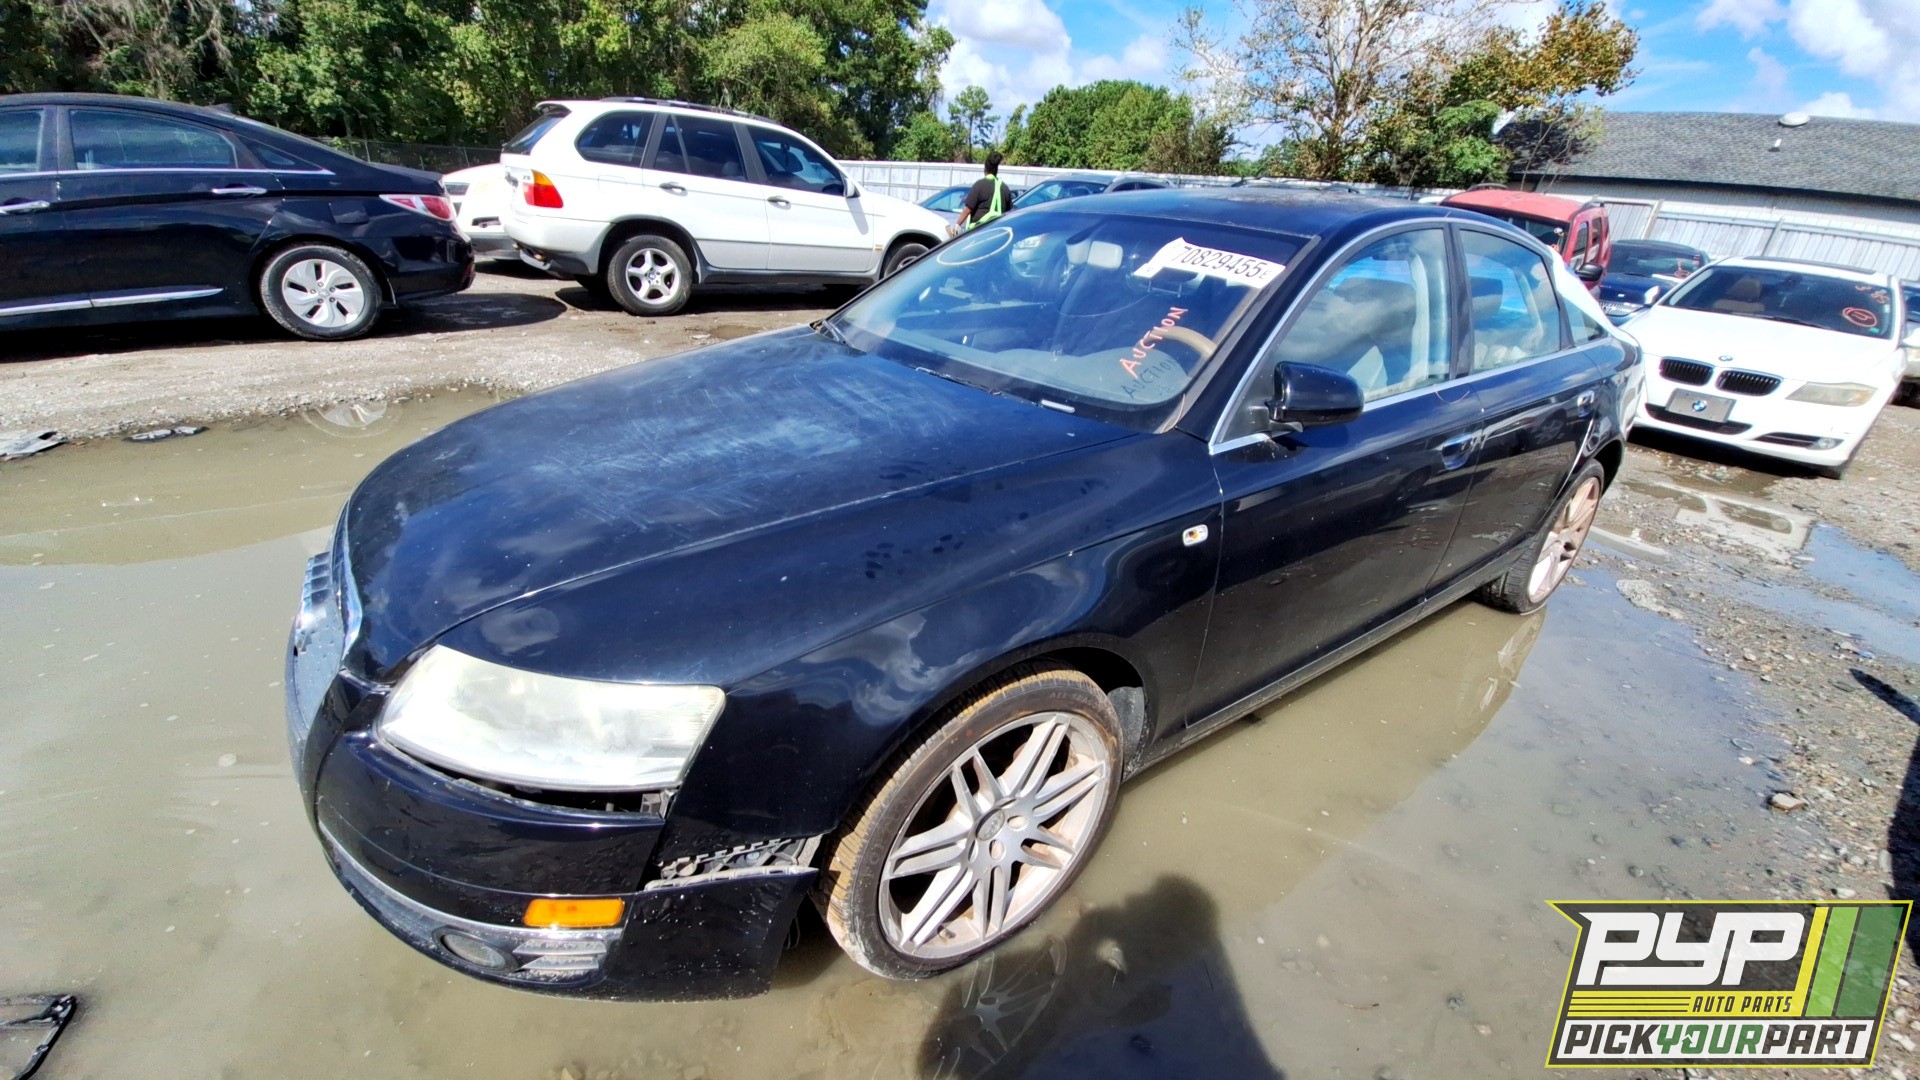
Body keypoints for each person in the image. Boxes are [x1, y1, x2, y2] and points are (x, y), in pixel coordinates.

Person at [953, 153, 1009, 235]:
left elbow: (967, 209)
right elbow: (1009, 212)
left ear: (985, 169)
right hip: (997, 233)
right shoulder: (1005, 188)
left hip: (978, 233)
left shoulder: (979, 185)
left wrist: (957, 225)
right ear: (997, 170)